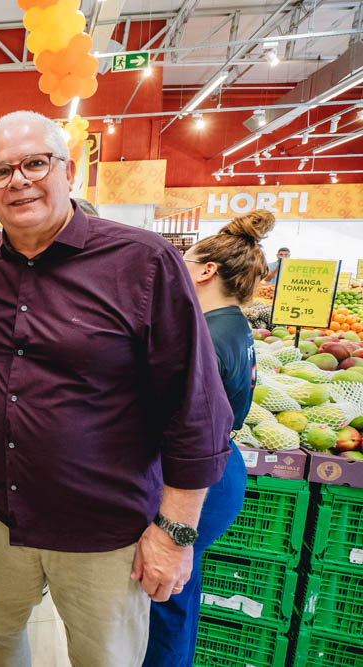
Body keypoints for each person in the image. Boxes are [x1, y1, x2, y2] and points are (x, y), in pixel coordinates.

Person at [0, 110, 233, 666]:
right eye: (2, 171)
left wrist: (174, 534)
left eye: (35, 164)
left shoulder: (143, 262)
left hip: (108, 533)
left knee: (104, 658)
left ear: (68, 170)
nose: (20, 181)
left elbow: (195, 408)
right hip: (4, 516)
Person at [143, 210, 272, 666]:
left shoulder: (205, 339)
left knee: (161, 596)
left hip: (196, 480)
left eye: (185, 260)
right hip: (222, 468)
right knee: (179, 589)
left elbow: (178, 424)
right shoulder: (233, 325)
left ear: (205, 271)